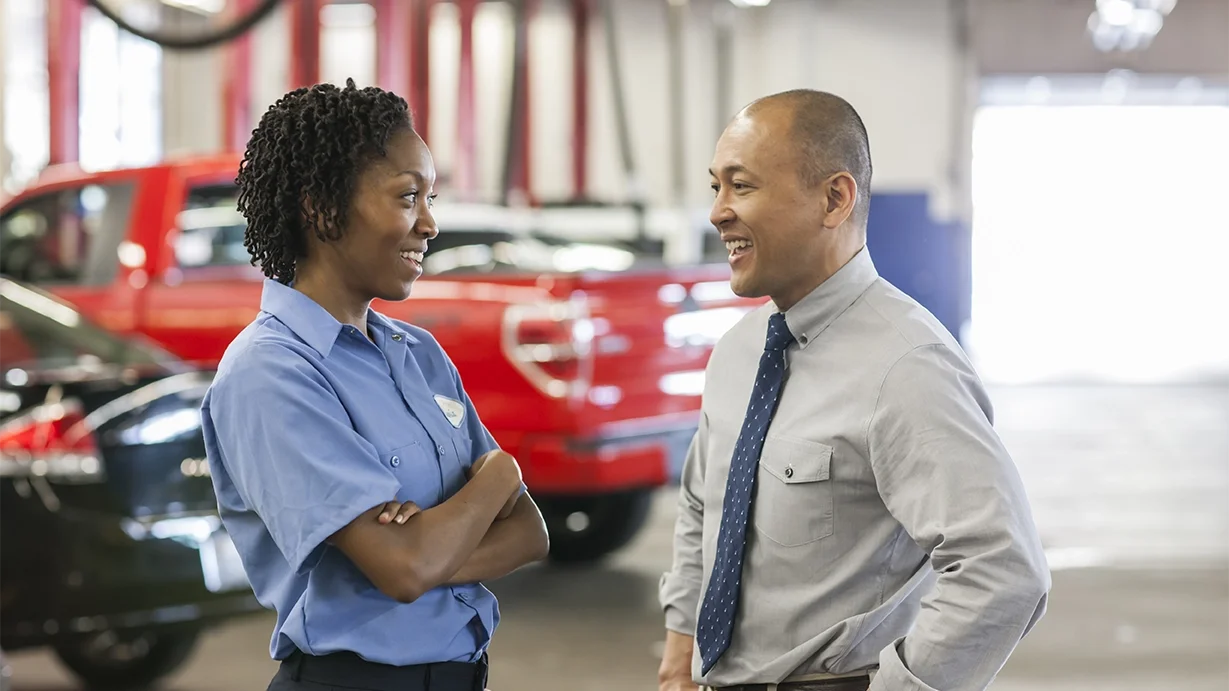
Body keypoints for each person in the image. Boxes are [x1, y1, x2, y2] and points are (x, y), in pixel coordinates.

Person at [657, 89, 1051, 691]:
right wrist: (680, 653)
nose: (718, 211)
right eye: (716, 187)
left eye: (742, 185)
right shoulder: (738, 353)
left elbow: (1003, 568)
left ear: (835, 199)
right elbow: (701, 510)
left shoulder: (907, 366)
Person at [201, 79, 550, 691]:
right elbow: (405, 565)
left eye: (430, 197)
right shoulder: (271, 372)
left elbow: (528, 533)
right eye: (408, 197)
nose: (431, 224)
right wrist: (498, 478)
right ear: (320, 207)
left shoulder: (416, 353)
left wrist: (428, 548)